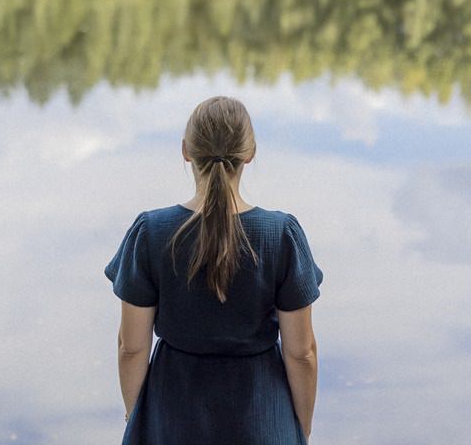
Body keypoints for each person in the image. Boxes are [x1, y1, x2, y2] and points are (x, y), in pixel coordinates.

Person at [105, 95, 324, 444]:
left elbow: (130, 348)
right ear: (249, 154)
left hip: (172, 416)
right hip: (262, 418)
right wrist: (301, 428)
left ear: (186, 151)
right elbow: (302, 353)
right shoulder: (281, 235)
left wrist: (138, 420)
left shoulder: (151, 232)